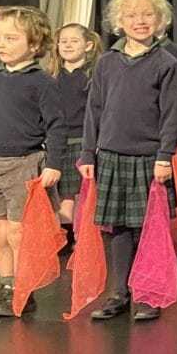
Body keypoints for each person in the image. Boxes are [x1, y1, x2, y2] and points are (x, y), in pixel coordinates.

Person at [79, 0, 177, 322]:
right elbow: (94, 109)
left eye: (147, 14)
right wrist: (87, 154)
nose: (140, 20)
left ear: (160, 19)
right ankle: (120, 292)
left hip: (149, 158)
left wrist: (164, 156)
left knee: (148, 230)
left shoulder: (166, 64)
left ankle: (148, 293)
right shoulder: (108, 63)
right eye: (132, 15)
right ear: (119, 22)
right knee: (118, 228)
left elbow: (173, 115)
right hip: (111, 155)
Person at [0, 5, 67, 317]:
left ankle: (24, 286)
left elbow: (57, 125)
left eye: (10, 38)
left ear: (34, 45)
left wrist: (54, 164)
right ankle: (6, 284)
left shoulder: (41, 81)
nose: (1, 44)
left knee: (17, 231)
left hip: (23, 164)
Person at [51, 22, 100, 234]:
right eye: (63, 41)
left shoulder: (93, 75)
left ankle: (86, 235)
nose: (67, 45)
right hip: (59, 142)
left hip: (85, 141)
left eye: (74, 41)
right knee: (64, 192)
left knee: (87, 191)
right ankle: (67, 234)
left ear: (88, 45)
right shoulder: (51, 76)